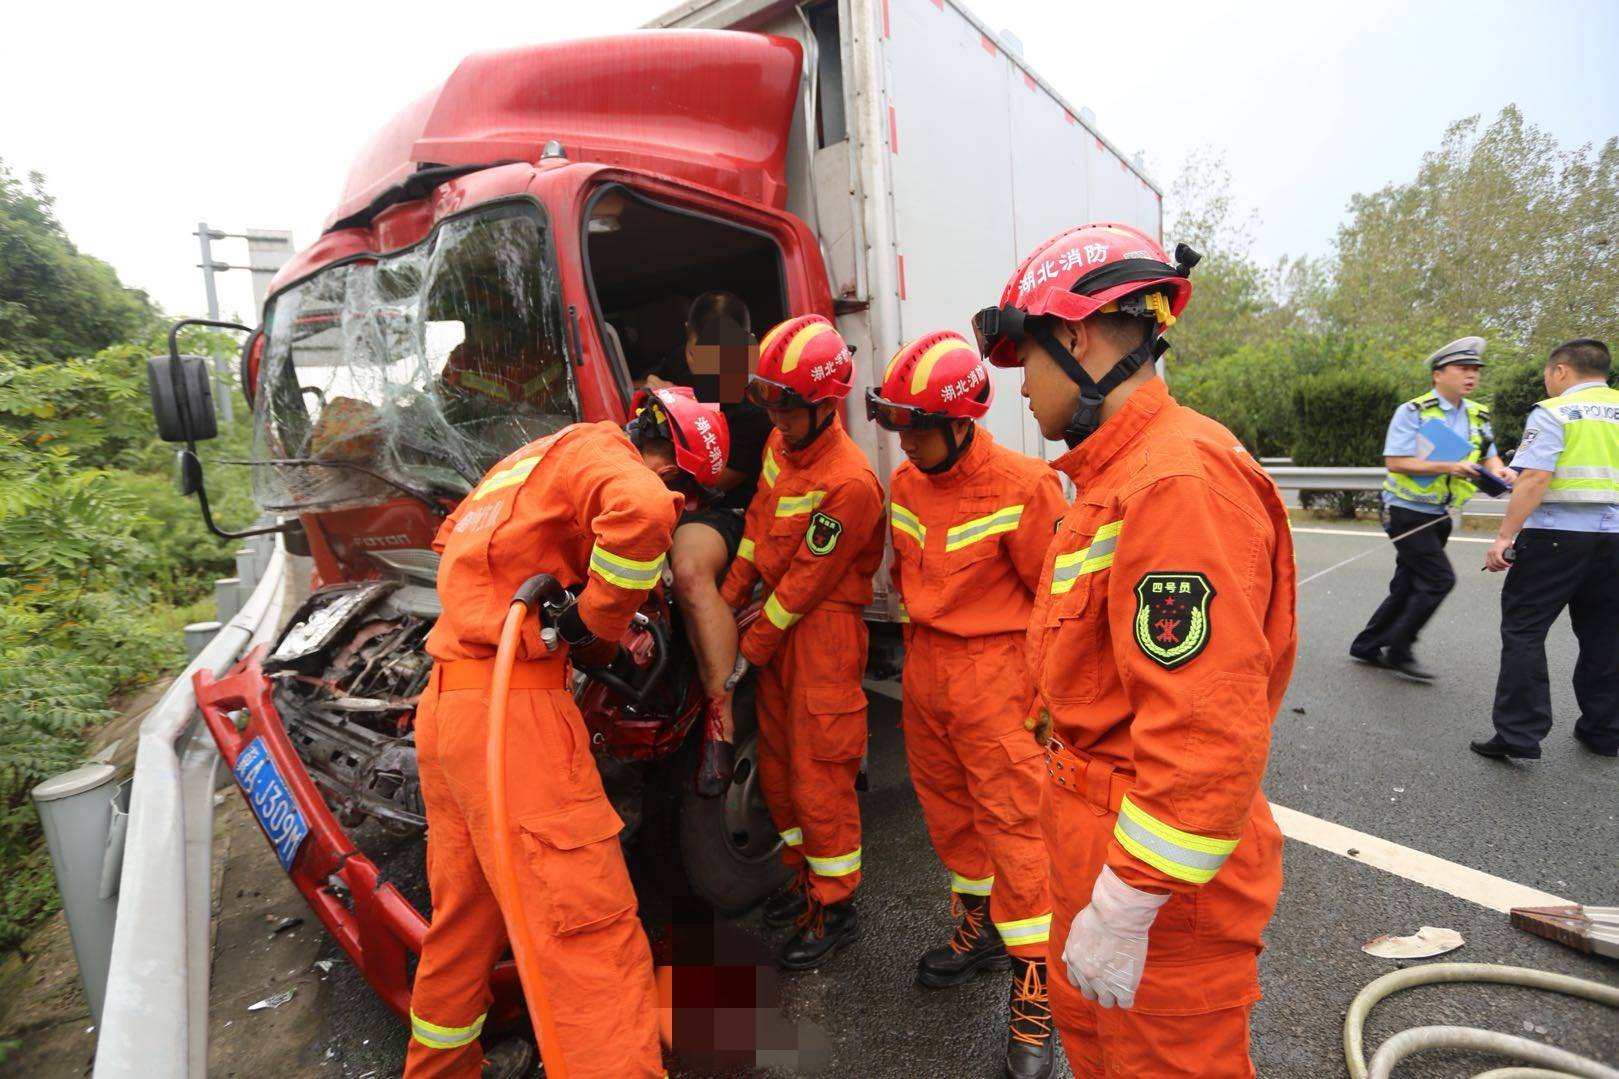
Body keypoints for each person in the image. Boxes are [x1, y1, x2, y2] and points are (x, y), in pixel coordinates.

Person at [973, 222, 1297, 1077]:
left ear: (1075, 338)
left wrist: (1122, 903)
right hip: (1103, 841)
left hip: (1153, 886)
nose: (1022, 391)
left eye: (1029, 360)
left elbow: (1203, 737)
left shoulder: (1174, 481)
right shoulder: (1114, 476)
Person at [404, 387, 730, 1079]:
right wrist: (597, 624)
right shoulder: (605, 458)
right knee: (588, 934)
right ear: (674, 468)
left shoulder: (528, 460)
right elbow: (639, 515)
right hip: (513, 714)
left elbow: (460, 555)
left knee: (463, 923)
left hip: (447, 709)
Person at [866, 331, 1066, 1079]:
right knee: (950, 814)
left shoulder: (1025, 486)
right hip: (927, 670)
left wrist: (1047, 697)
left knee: (1017, 829)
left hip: (998, 679)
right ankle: (978, 927)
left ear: (960, 421)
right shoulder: (907, 483)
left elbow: (1055, 600)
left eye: (918, 425)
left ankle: (1034, 988)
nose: (905, 440)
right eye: (897, 424)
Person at [718, 314, 885, 970]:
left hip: (821, 635)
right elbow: (758, 530)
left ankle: (835, 901)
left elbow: (806, 585)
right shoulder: (779, 450)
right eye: (773, 407)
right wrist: (728, 593)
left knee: (820, 776)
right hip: (781, 626)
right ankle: (802, 876)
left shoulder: (849, 482)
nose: (779, 423)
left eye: (789, 411)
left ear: (822, 405)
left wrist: (745, 650)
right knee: (782, 769)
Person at [644, 292, 774, 795]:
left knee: (691, 568)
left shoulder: (757, 404)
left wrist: (675, 413)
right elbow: (646, 386)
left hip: (733, 508)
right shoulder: (682, 363)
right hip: (666, 492)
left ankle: (721, 720)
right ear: (690, 341)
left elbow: (714, 479)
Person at [1476, 338, 1619, 760]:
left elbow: (1536, 478)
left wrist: (1505, 536)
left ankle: (1519, 734)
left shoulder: (1553, 411)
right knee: (1606, 636)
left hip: (1556, 536)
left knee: (1525, 629)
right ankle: (1604, 730)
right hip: (1615, 540)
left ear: (1560, 371)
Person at [1350, 336, 1513, 680]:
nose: (1472, 376)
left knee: (1409, 581)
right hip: (1406, 510)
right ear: (1438, 374)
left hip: (1441, 513)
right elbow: (1395, 462)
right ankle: (1400, 648)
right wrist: (1451, 467)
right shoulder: (1414, 412)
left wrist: (1498, 469)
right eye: (1463, 369)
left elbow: (1488, 451)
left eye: (1476, 371)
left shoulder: (1477, 413)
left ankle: (1367, 644)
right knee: (1439, 578)